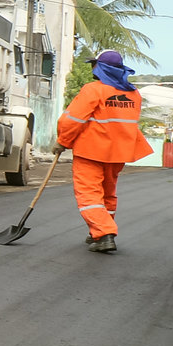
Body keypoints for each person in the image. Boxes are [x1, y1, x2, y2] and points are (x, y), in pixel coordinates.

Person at [56, 48, 152, 252]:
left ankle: (105, 233)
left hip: (91, 151)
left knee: (88, 194)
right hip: (119, 153)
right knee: (108, 194)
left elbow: (72, 119)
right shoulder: (133, 93)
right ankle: (97, 232)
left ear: (102, 68)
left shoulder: (93, 89)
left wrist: (63, 141)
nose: (93, 68)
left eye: (94, 64)